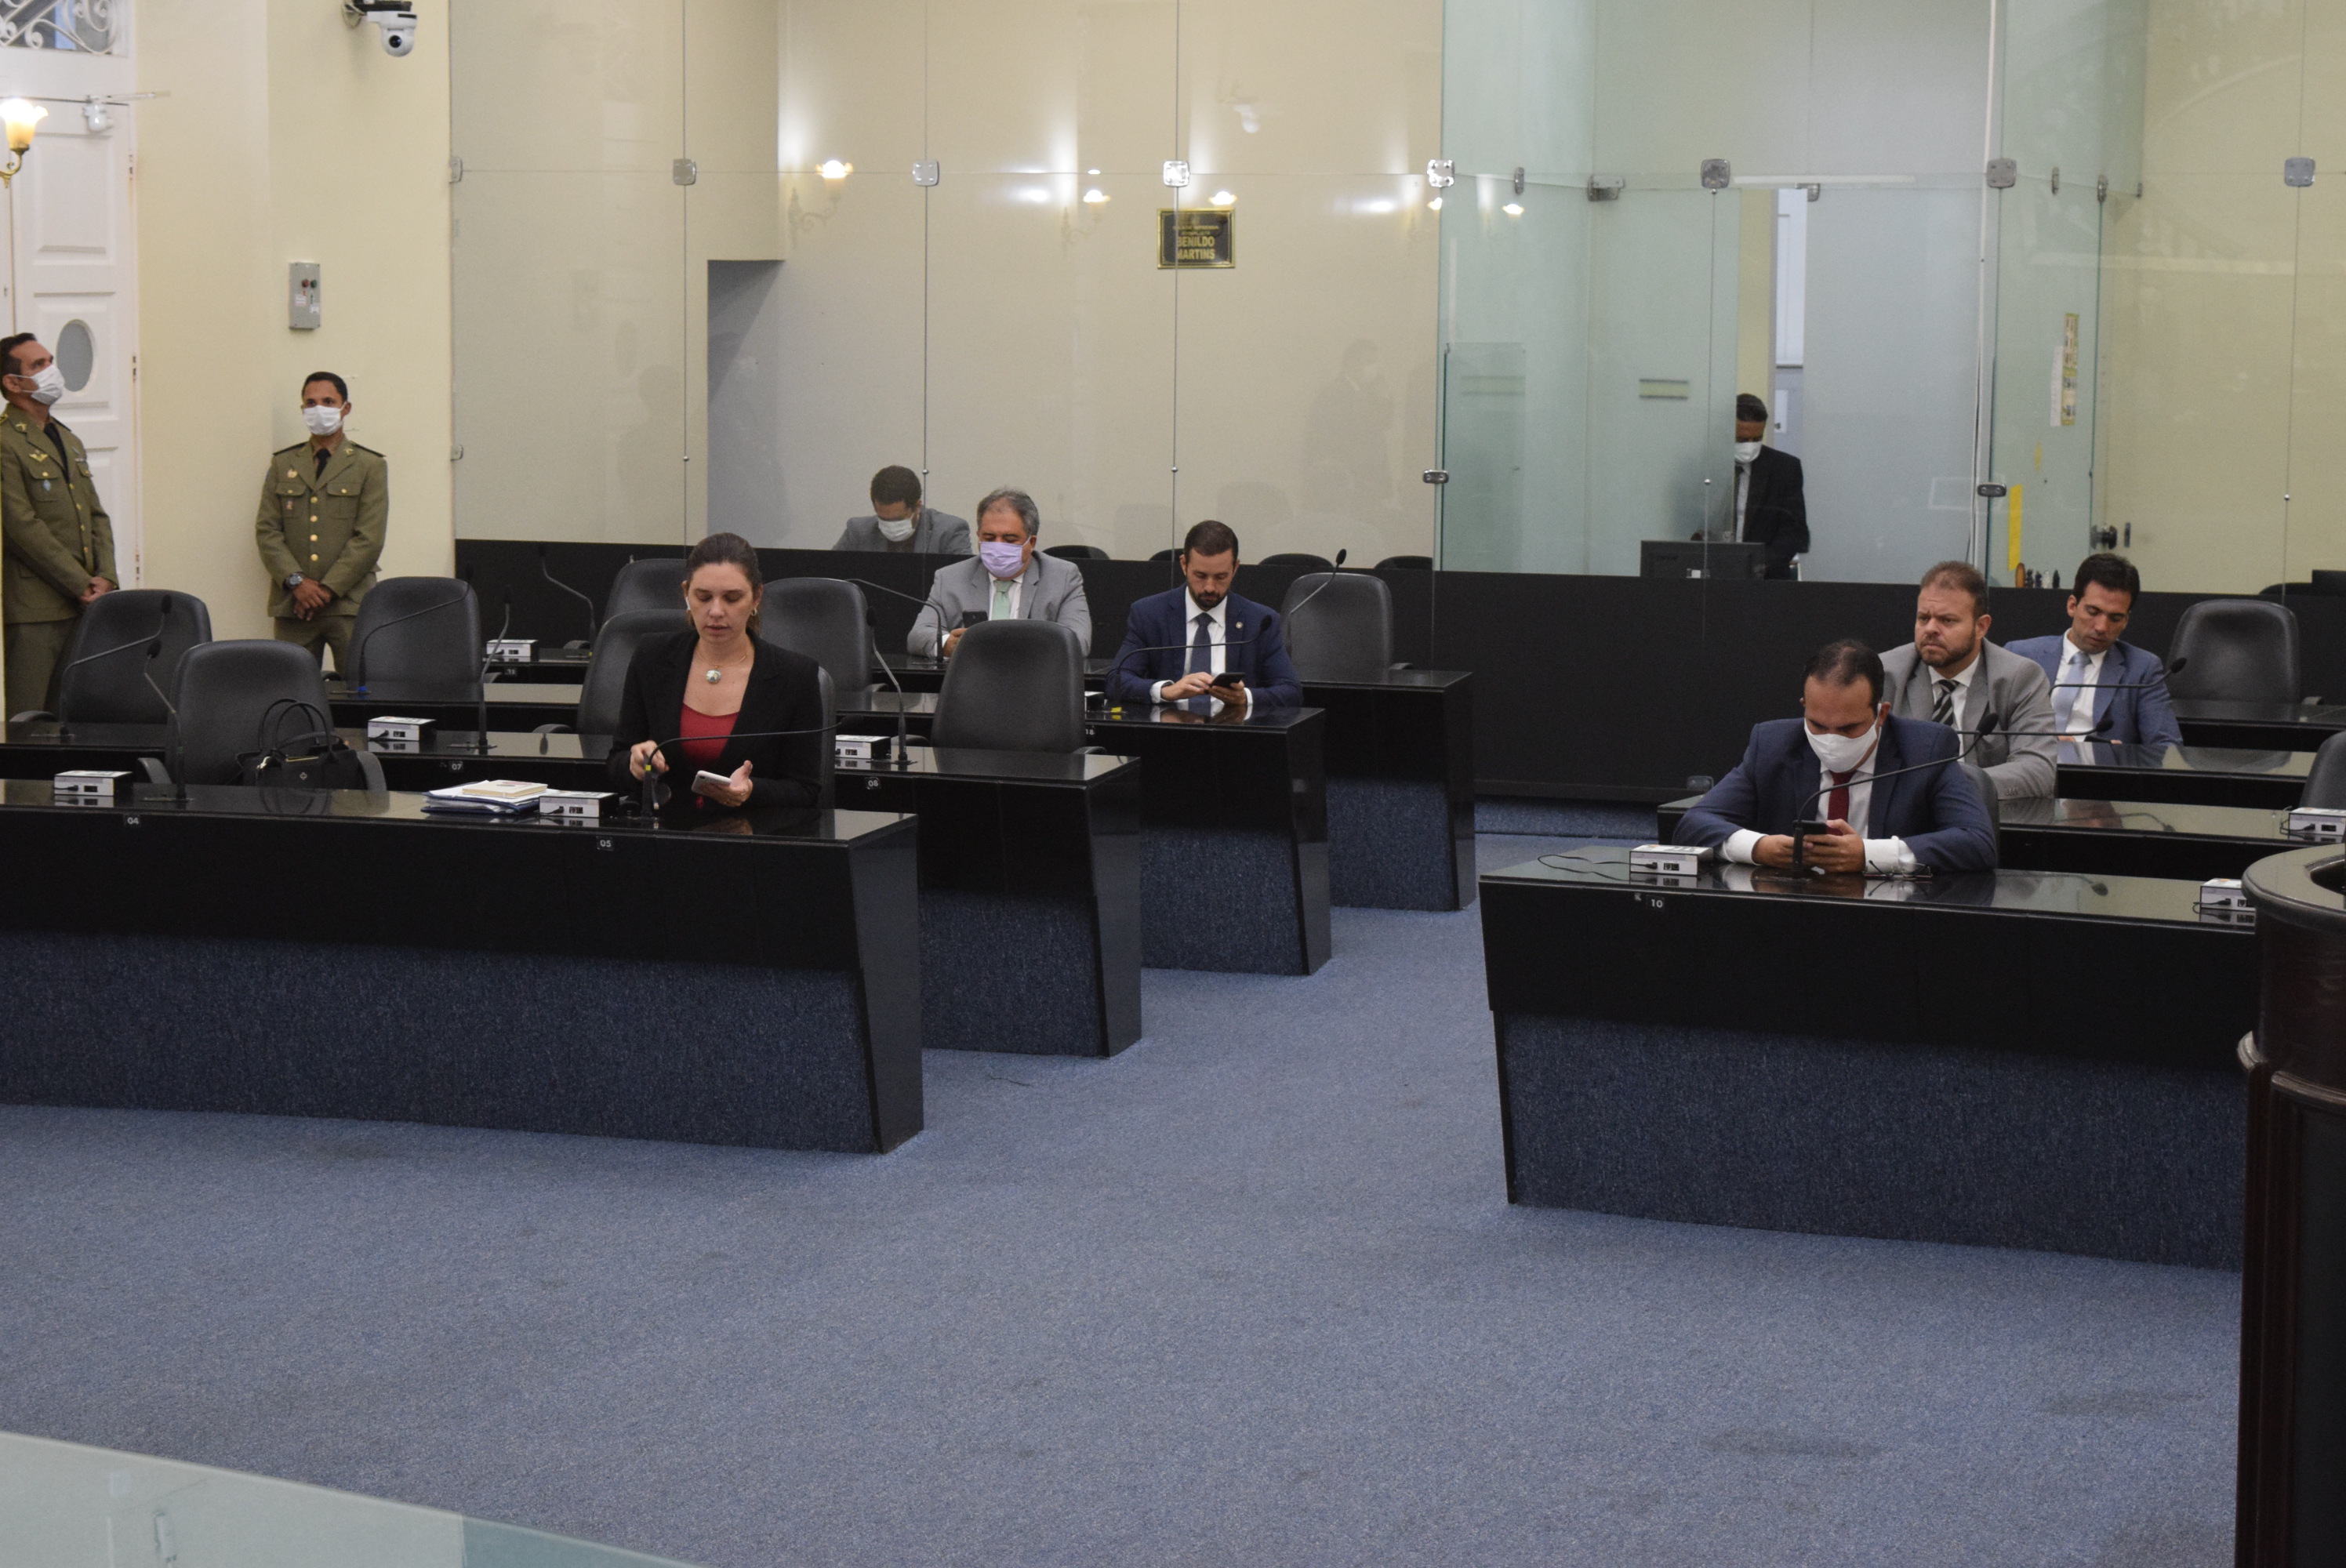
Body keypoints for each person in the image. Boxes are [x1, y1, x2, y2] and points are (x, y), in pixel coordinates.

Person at [1677, 638, 1998, 874]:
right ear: (1804, 706)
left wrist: (1869, 854)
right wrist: (1758, 847)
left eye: (1848, 728)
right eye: (1817, 725)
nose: (1831, 739)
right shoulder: (1773, 745)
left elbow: (1977, 843)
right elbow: (1694, 824)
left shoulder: (1926, 749)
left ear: (1881, 714)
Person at [607, 531, 826, 810]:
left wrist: (752, 791)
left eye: (732, 598)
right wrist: (634, 764)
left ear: (757, 597)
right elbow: (616, 762)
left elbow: (805, 790)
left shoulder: (795, 675)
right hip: (665, 827)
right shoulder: (652, 658)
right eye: (703, 597)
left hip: (752, 830)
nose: (716, 611)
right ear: (686, 593)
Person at [1, 332, 116, 714]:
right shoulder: (6, 441)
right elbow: (20, 525)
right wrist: (79, 582)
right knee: (30, 721)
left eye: (50, 361)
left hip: (85, 605)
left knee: (73, 719)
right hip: (36, 609)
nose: (52, 370)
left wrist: (106, 577)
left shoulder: (67, 439)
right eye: (39, 365)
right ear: (13, 383)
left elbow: (95, 514)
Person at [1879, 560, 2057, 799]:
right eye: (1923, 618)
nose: (1930, 629)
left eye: (1947, 620)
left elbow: (2039, 770)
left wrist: (1949, 784)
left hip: (1983, 814)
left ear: (1981, 626)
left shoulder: (2020, 678)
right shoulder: (1885, 673)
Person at [255, 372, 387, 673]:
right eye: (311, 403)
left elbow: (369, 538)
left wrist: (325, 591)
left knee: (358, 688)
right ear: (302, 409)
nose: (319, 410)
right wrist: (298, 584)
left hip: (349, 604)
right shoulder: (283, 463)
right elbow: (267, 531)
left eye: (328, 402)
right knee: (290, 688)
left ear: (345, 408)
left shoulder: (370, 465)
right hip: (294, 605)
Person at [1105, 519, 1302, 713]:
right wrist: (1166, 691)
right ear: (1184, 564)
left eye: (1220, 577)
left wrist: (1245, 698)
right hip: (1170, 728)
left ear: (1235, 568)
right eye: (1200, 576)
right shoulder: (1150, 614)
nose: (1209, 587)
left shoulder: (1260, 621)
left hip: (1234, 729)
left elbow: (1290, 691)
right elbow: (1117, 681)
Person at [2005, 553, 2184, 748]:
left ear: (2126, 620)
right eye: (2093, 612)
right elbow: (1990, 733)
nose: (2101, 627)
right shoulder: (2021, 655)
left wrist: (2124, 755)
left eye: (2115, 618)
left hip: (2100, 767)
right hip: (2030, 762)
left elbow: (2168, 747)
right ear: (2072, 606)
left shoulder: (2142, 669)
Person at [907, 486, 1091, 659]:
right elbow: (918, 636)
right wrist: (948, 644)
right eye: (989, 538)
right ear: (979, 537)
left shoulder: (1062, 577)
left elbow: (1079, 642)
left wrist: (1017, 647)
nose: (998, 546)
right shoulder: (950, 578)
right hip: (972, 677)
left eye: (1009, 539)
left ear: (1031, 542)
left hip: (1036, 678)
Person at [1729, 392, 1806, 579]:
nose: (1749, 446)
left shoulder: (1785, 468)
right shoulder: (1703, 465)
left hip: (1766, 579)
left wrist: (1763, 564)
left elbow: (1794, 531)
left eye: (1756, 439)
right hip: (1709, 577)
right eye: (1742, 439)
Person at [832, 465, 971, 555]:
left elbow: (963, 583)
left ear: (917, 506)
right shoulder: (858, 531)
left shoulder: (950, 531)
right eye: (883, 519)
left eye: (898, 519)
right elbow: (832, 577)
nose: (891, 526)